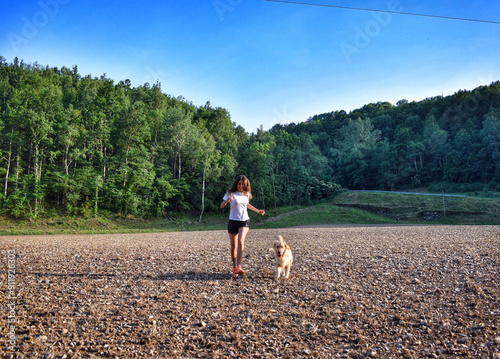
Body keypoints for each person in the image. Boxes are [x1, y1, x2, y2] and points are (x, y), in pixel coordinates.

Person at [220, 175, 265, 277]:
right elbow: (222, 206)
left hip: (244, 221)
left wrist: (258, 211)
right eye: (239, 184)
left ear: (245, 185)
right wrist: (227, 200)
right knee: (233, 246)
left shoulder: (246, 194)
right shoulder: (230, 193)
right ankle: (234, 267)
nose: (240, 186)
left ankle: (239, 266)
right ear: (236, 184)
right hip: (232, 221)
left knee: (241, 241)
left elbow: (246, 205)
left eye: (242, 184)